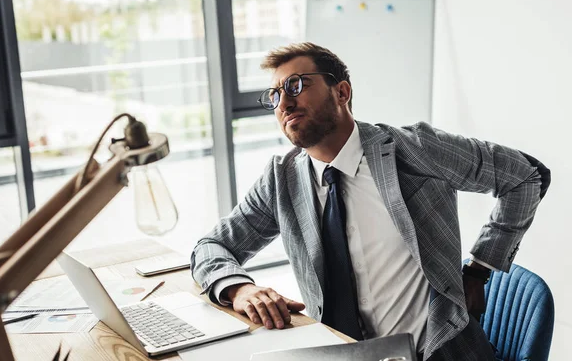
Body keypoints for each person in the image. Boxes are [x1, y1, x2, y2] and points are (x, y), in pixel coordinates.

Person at [190, 42, 550, 361]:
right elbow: (212, 247)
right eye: (274, 95)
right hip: (339, 351)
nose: (283, 102)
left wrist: (479, 268)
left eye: (295, 86)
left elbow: (525, 176)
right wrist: (239, 288)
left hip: (437, 352)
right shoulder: (281, 179)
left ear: (341, 91)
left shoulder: (414, 150)